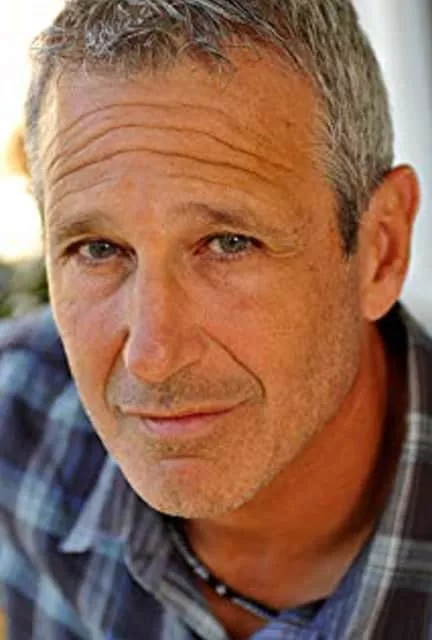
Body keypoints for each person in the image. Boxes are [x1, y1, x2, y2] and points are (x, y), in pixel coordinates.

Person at [0, 0, 431, 638]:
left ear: (380, 250)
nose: (151, 356)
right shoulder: (21, 420)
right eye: (99, 249)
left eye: (229, 243)